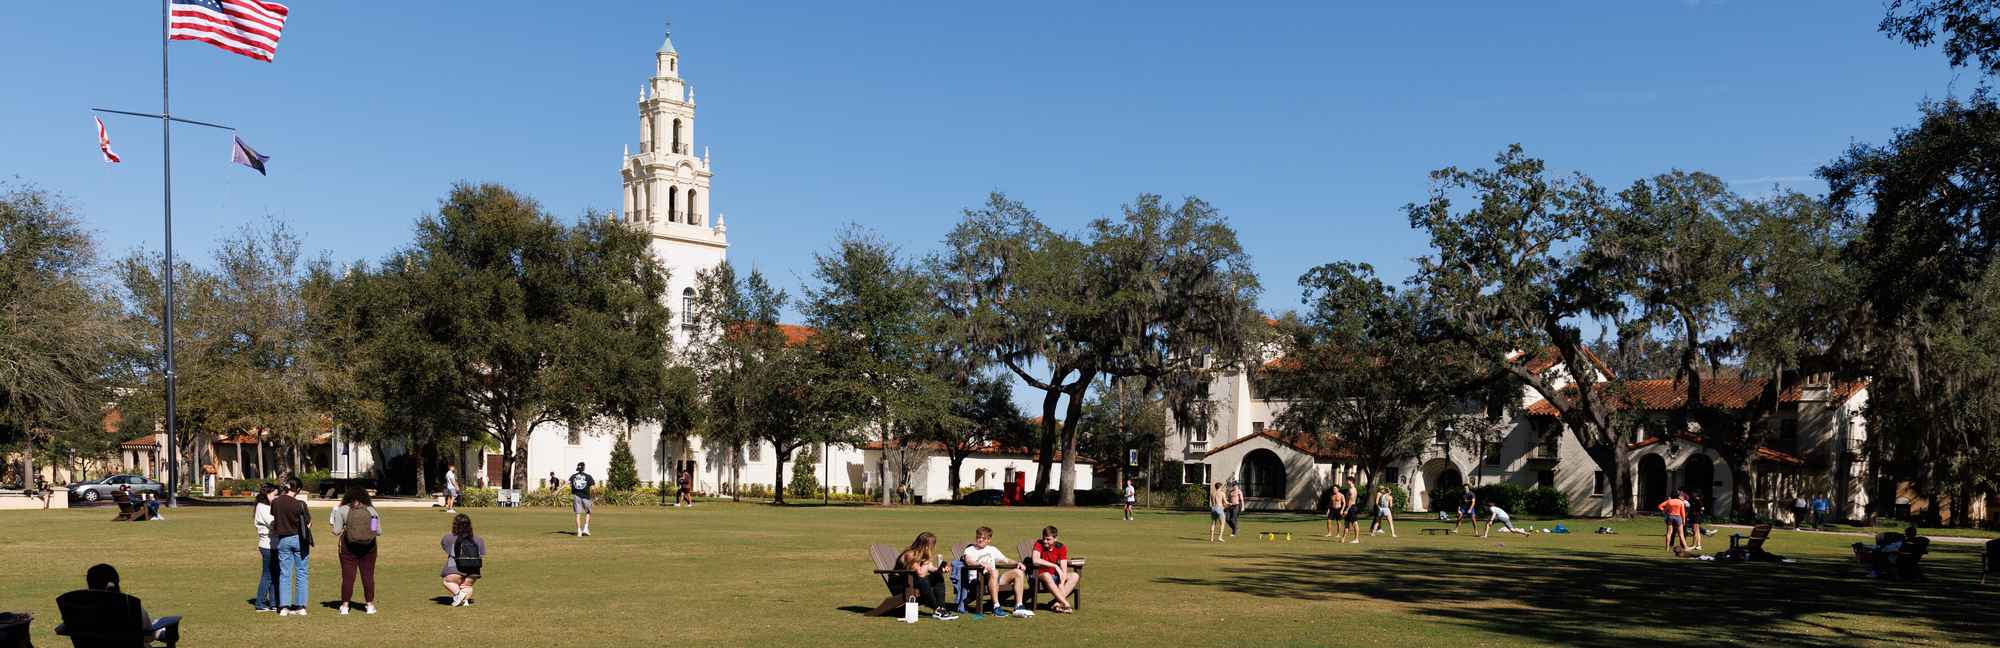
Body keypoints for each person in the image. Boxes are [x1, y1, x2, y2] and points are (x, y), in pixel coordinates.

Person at [56, 564, 179, 646]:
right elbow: (148, 636)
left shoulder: (77, 609)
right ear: (117, 582)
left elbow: (63, 629)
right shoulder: (130, 606)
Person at [330, 486, 381, 615]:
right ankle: (369, 605)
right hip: (369, 548)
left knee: (348, 577)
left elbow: (336, 531)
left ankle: (345, 605)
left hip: (348, 548)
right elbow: (377, 531)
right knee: (368, 577)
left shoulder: (342, 510)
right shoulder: (371, 510)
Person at [960, 527, 1031, 617]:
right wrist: (980, 564)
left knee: (1018, 572)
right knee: (994, 572)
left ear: (989, 540)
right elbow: (968, 560)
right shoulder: (970, 549)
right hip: (978, 580)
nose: (980, 540)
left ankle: (1019, 606)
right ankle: (996, 607)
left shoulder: (992, 549)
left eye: (983, 538)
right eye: (978, 537)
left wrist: (1018, 563)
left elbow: (1006, 560)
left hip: (994, 579)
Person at [268, 477, 312, 616]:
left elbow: (275, 518)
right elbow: (308, 523)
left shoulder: (275, 502)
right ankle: (300, 606)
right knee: (301, 573)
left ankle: (284, 606)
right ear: (297, 489)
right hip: (299, 539)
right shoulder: (300, 504)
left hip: (283, 540)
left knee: (285, 573)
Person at [896, 532, 957, 621]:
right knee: (923, 580)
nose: (933, 548)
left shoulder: (921, 554)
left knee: (938, 576)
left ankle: (941, 609)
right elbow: (921, 573)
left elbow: (931, 568)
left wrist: (941, 570)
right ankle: (937, 609)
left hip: (913, 581)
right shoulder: (910, 554)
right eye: (931, 545)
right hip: (901, 584)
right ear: (924, 545)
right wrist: (927, 560)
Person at [1029, 526, 1081, 613]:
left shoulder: (1061, 547)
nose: (1045, 541)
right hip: (1039, 576)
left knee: (1075, 575)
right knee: (1047, 575)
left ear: (1055, 538)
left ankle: (1057, 604)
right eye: (1044, 538)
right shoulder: (1039, 543)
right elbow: (1035, 559)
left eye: (1048, 539)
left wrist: (1061, 582)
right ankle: (1065, 604)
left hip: (1055, 577)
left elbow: (1064, 567)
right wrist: (1055, 566)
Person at [441, 513, 486, 606]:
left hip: (455, 569)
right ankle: (464, 601)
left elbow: (445, 548)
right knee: (466, 585)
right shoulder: (479, 539)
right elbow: (481, 554)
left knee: (447, 581)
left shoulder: (448, 537)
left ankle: (459, 595)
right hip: (474, 570)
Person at [251, 484, 279, 612]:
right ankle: (260, 603)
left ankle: (273, 602)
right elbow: (273, 523)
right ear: (267, 494)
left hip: (273, 544)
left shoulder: (267, 507)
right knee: (268, 575)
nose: (276, 497)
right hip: (267, 545)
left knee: (274, 574)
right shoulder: (262, 507)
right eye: (274, 494)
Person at [1657, 490, 1689, 555]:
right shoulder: (1680, 502)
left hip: (1670, 516)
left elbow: (1660, 506)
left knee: (1669, 533)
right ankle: (1686, 547)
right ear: (1677, 496)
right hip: (1678, 517)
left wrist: (1665, 511)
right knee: (1681, 534)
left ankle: (1667, 547)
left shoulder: (1669, 501)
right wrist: (1684, 520)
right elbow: (1682, 512)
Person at [569, 462, 596, 537]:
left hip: (576, 496)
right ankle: (585, 528)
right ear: (584, 468)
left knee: (578, 514)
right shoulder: (588, 476)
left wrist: (558, 491)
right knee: (588, 512)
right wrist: (594, 496)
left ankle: (579, 531)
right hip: (586, 497)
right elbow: (593, 488)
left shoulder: (573, 476)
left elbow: (565, 484)